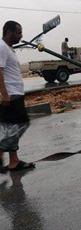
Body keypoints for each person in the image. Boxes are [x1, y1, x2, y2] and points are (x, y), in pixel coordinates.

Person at [0, 21, 35, 172]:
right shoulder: (2, 47)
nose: (21, 36)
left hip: (15, 93)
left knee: (12, 127)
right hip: (10, 94)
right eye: (18, 32)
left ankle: (14, 161)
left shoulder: (8, 48)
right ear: (8, 32)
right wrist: (4, 94)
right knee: (21, 123)